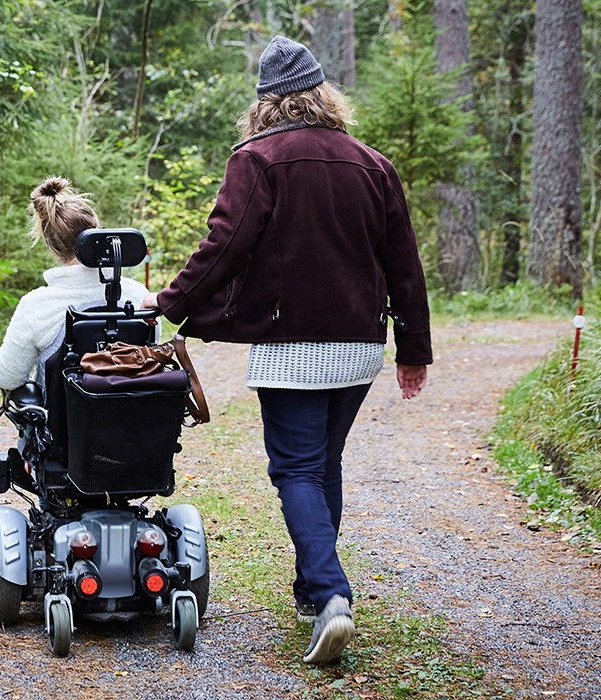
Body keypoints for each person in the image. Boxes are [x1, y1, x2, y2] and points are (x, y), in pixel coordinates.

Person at [142, 36, 432, 665]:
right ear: (325, 95)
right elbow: (404, 265)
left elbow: (226, 244)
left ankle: (332, 598)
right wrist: (413, 348)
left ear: (267, 103)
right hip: (359, 344)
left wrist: (165, 304)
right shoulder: (373, 164)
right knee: (322, 465)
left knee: (296, 468)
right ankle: (310, 588)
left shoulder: (259, 158)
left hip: (291, 344)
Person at [0, 177, 151, 391]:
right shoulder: (137, 293)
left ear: (51, 246)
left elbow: (6, 378)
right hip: (135, 420)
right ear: (98, 233)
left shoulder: (37, 305)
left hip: (64, 423)